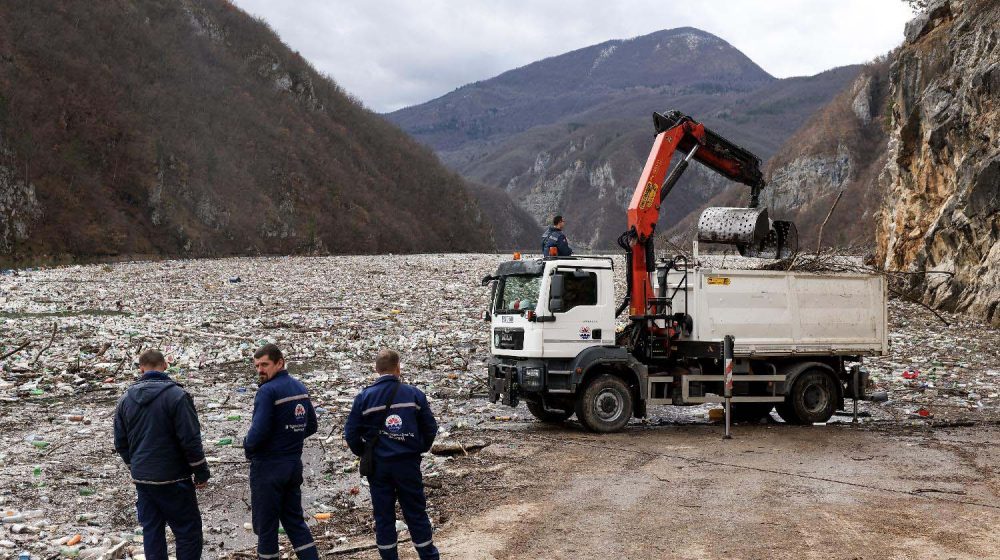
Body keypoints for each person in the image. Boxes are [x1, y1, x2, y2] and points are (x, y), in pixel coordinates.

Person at [113, 349, 209, 560]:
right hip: (175, 479)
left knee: (152, 532)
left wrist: (135, 465)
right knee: (188, 532)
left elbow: (120, 443)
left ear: (141, 369)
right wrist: (201, 472)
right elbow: (190, 440)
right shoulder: (177, 396)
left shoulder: (125, 400)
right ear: (165, 365)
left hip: (144, 480)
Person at [344, 349, 440, 560]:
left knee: (384, 517)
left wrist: (366, 452)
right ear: (398, 367)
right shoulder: (414, 394)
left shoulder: (364, 397)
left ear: (377, 369)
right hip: (407, 464)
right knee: (415, 513)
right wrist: (417, 448)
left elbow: (350, 434)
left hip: (379, 467)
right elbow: (430, 428)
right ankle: (429, 556)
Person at [244, 344, 319, 560]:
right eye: (257, 365)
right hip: (292, 466)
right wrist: (289, 438)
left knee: (267, 528)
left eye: (265, 364)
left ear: (280, 363)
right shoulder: (299, 388)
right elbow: (311, 425)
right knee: (295, 522)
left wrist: (247, 445)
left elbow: (256, 435)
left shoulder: (268, 391)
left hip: (268, 469)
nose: (260, 369)